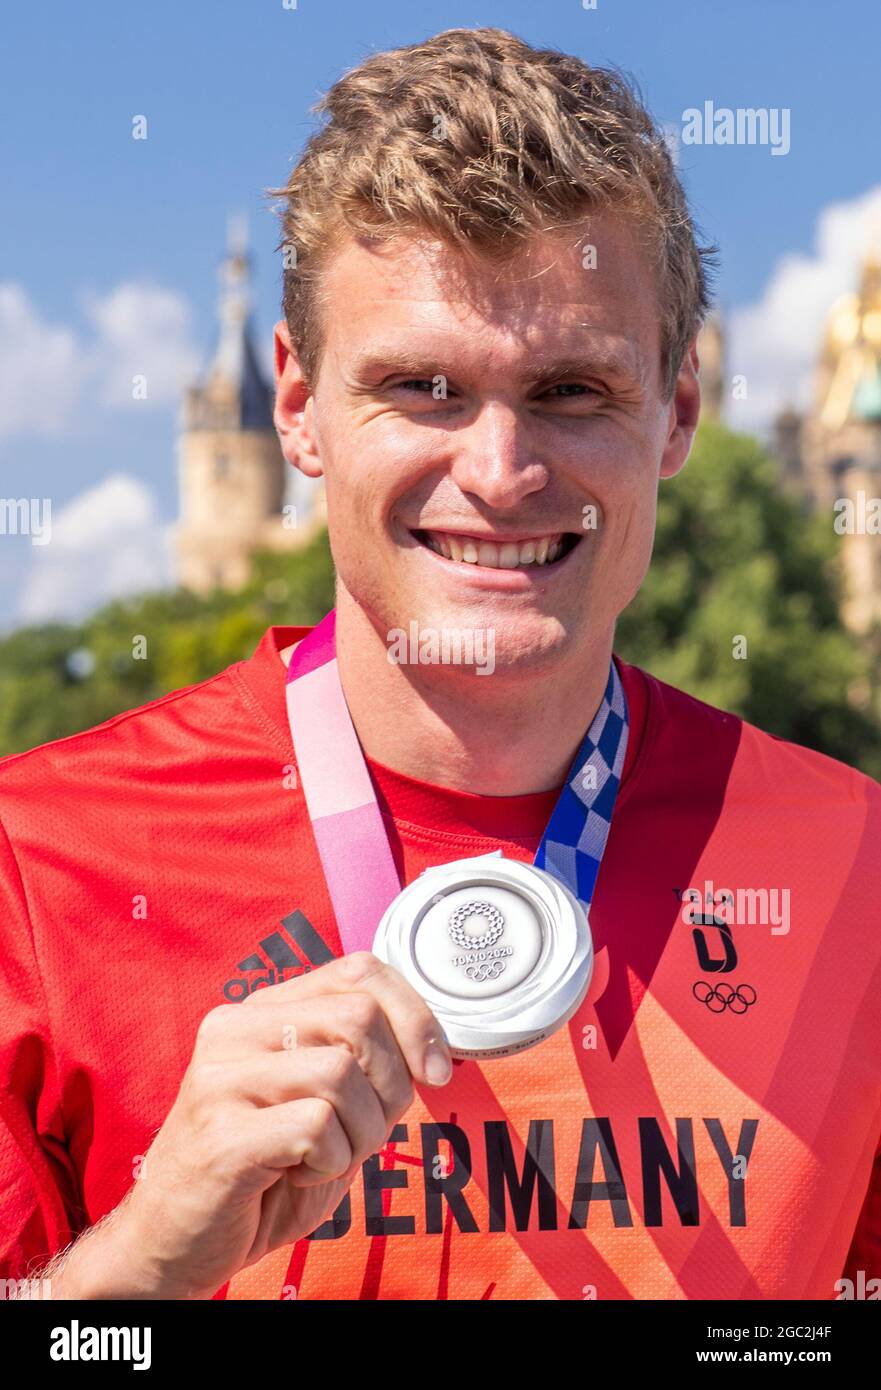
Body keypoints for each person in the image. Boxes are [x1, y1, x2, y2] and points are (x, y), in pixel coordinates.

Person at [1, 25, 879, 1302]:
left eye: (574, 389)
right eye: (421, 386)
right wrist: (138, 1268)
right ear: (295, 406)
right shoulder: (35, 865)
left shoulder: (854, 870)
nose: (500, 471)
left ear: (679, 409)